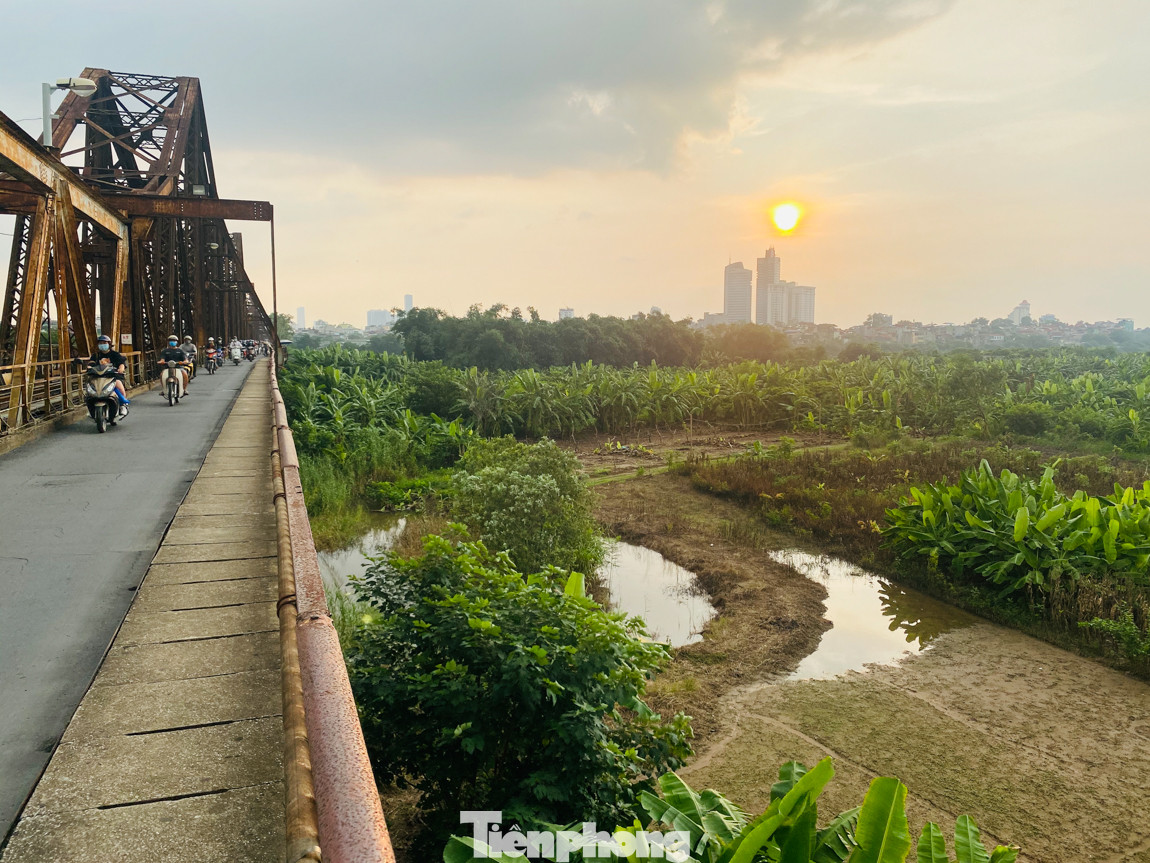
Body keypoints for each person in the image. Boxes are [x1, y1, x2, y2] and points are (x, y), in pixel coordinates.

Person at [88, 335, 130, 416]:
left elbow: (121, 363)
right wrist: (89, 368)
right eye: (100, 343)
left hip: (113, 376)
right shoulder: (96, 355)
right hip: (99, 376)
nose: (102, 344)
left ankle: (123, 405)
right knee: (90, 388)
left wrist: (121, 368)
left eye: (104, 342)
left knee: (118, 385)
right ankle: (91, 407)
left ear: (109, 344)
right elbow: (91, 364)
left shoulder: (115, 354)